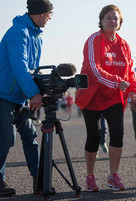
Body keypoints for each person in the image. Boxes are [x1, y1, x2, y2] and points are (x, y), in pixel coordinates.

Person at [75, 4, 136, 192]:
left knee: (118, 134)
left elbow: (130, 71)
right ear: (101, 20)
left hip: (113, 97)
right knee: (94, 136)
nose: (112, 21)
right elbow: (95, 70)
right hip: (92, 96)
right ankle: (90, 176)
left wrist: (135, 90)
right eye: (109, 18)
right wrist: (117, 81)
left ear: (120, 24)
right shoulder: (94, 40)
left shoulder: (124, 44)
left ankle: (113, 176)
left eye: (116, 19)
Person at [0, 0, 53, 196]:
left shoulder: (36, 36)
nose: (49, 18)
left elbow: (32, 70)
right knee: (5, 138)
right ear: (41, 14)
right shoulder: (19, 32)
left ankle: (40, 181)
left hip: (19, 96)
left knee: (31, 137)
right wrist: (33, 93)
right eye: (49, 14)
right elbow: (19, 66)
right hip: (3, 94)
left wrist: (35, 90)